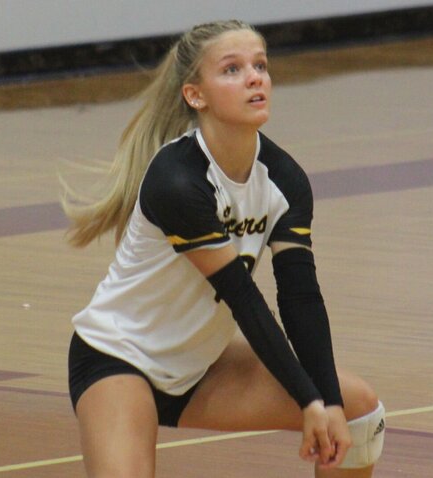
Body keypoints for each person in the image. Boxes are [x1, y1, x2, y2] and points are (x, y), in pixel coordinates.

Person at [62, 19, 385, 478]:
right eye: (232, 70)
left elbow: (300, 299)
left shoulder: (284, 179)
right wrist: (308, 399)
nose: (255, 77)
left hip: (200, 367)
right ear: (196, 95)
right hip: (119, 358)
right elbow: (244, 299)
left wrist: (327, 402)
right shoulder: (177, 179)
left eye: (260, 65)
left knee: (356, 413)